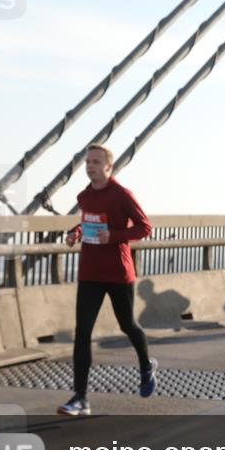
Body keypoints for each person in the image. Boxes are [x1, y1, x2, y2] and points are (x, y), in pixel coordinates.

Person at [58, 144, 155, 416]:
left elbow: (145, 227)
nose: (90, 166)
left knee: (128, 325)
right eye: (88, 162)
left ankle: (146, 366)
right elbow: (87, 223)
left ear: (109, 167)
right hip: (90, 272)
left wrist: (113, 236)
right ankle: (80, 397)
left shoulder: (122, 195)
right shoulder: (84, 196)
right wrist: (75, 233)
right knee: (82, 332)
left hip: (117, 273)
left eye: (96, 162)